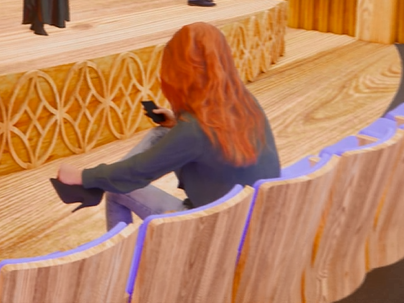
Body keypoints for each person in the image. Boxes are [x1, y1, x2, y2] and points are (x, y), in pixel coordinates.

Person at [55, 22, 279, 228]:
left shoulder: (194, 130)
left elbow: (138, 172)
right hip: (254, 214)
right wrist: (175, 123)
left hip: (213, 226)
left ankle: (115, 246)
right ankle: (98, 185)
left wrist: (83, 176)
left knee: (119, 189)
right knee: (161, 132)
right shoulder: (243, 101)